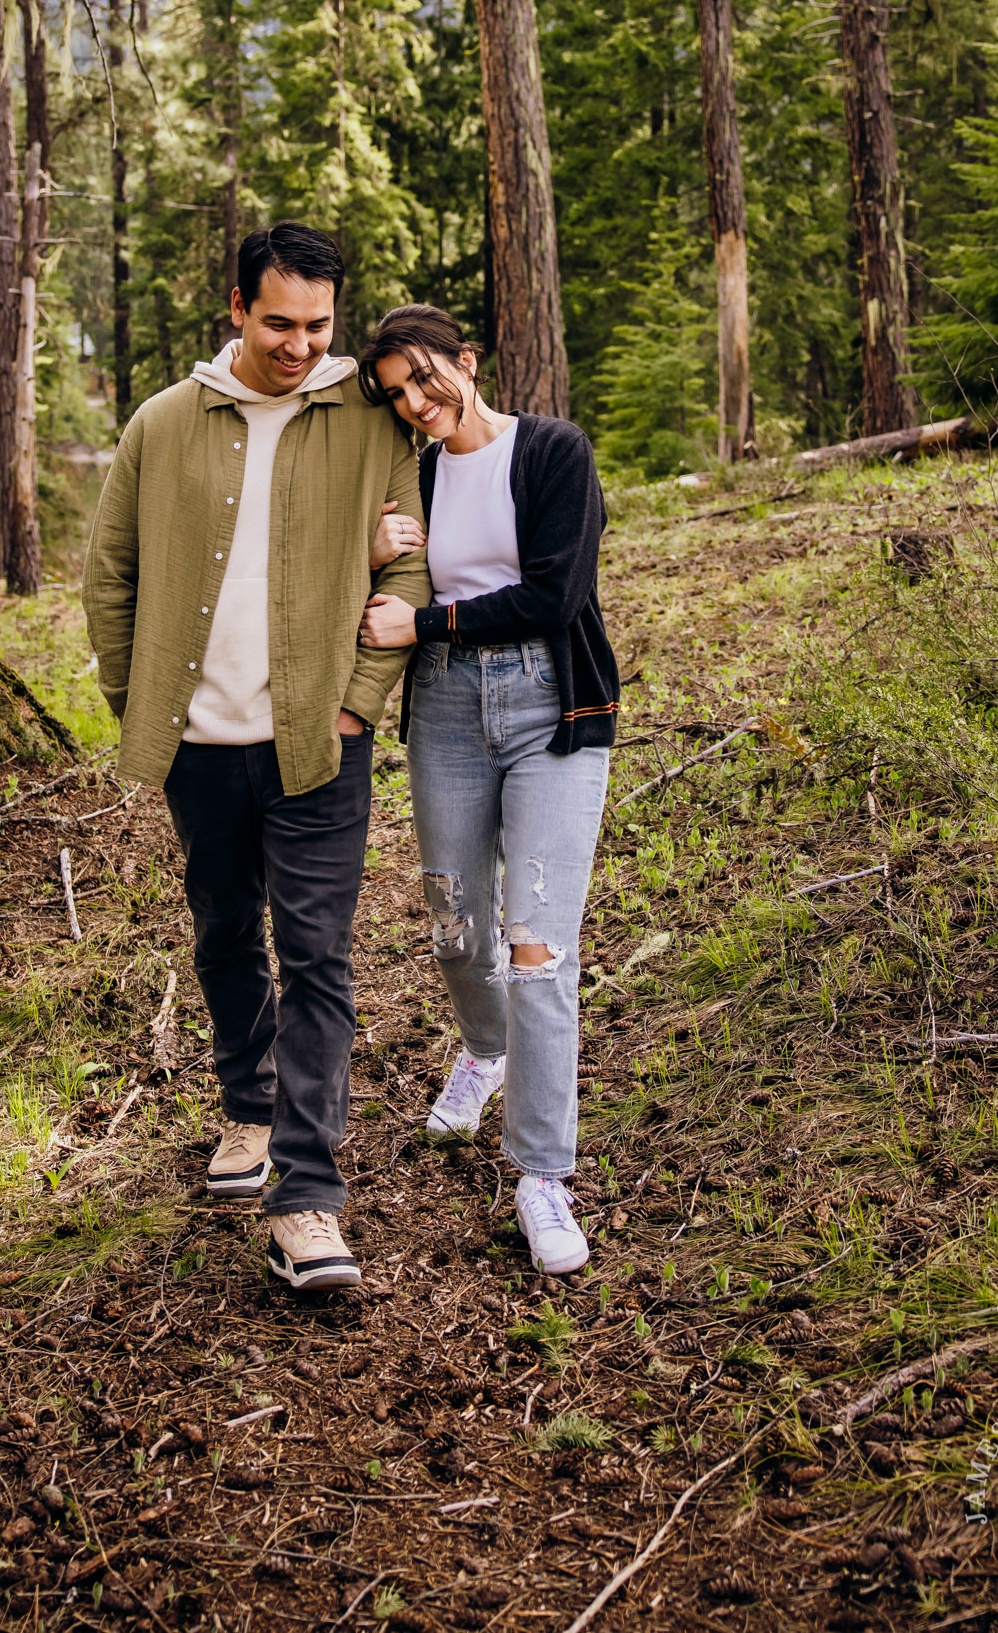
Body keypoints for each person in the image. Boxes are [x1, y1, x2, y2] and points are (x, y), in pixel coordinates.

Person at [82, 225, 430, 1294]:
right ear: (235, 306)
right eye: (278, 322)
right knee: (225, 930)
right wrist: (138, 705)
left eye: (317, 325)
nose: (299, 344)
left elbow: (408, 575)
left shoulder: (369, 424)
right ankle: (247, 1107)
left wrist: (360, 708)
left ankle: (307, 1200)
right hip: (198, 742)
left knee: (318, 956)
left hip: (317, 743)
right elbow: (110, 576)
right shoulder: (165, 422)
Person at [356, 305, 619, 1276]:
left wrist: (423, 626)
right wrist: (374, 548)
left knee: (536, 945)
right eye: (396, 395)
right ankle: (484, 1048)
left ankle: (542, 1173)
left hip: (551, 708)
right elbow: (377, 583)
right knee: (456, 924)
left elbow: (556, 595)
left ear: (466, 362)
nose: (416, 405)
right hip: (448, 714)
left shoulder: (549, 451)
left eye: (425, 379)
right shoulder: (412, 476)